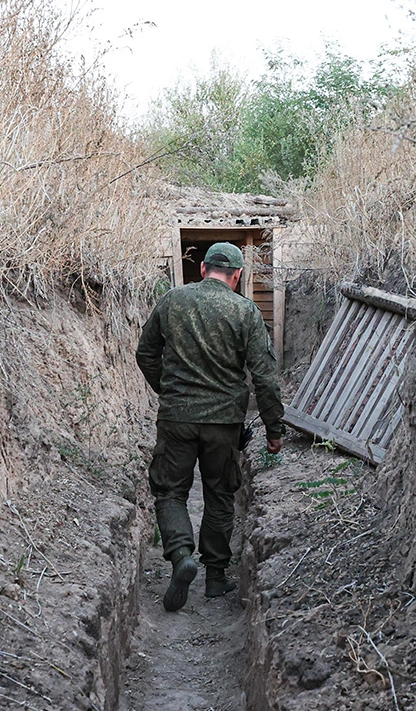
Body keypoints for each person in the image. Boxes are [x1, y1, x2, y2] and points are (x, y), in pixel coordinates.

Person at [136, 242, 284, 612]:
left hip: (177, 418)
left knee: (170, 492)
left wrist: (167, 390)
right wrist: (274, 428)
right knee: (220, 493)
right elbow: (264, 377)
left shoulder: (173, 300)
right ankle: (216, 578)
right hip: (224, 423)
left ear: (202, 269)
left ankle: (182, 554)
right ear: (236, 276)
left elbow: (145, 353)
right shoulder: (246, 311)